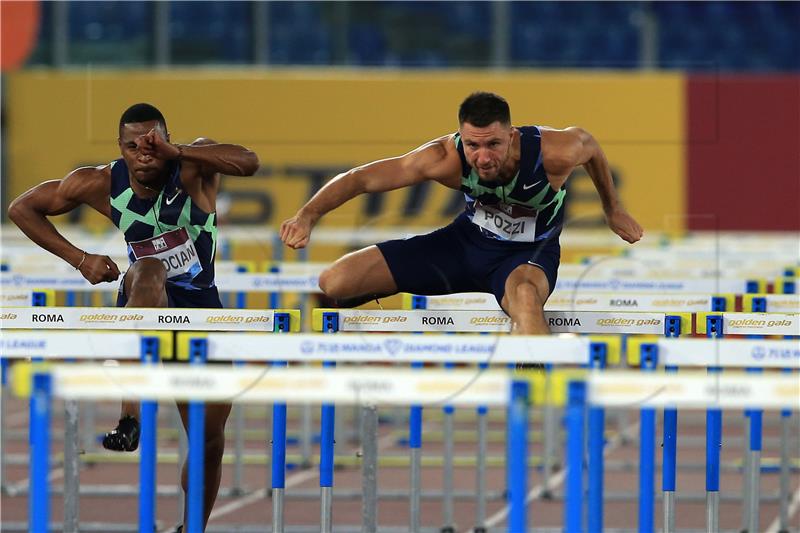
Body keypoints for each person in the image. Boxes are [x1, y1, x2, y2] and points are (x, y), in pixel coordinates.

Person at [9, 103, 259, 531]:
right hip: (146, 298)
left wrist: (176, 151)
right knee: (148, 270)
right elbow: (22, 208)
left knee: (208, 440)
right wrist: (80, 258)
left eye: (152, 145)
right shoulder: (101, 182)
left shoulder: (193, 167)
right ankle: (131, 417)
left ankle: (191, 528)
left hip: (202, 309)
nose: (143, 155)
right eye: (133, 147)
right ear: (120, 148)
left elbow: (248, 163)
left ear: (164, 141)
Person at [281, 91, 643, 334]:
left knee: (527, 303)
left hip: (525, 256)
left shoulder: (554, 152)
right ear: (460, 138)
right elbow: (360, 179)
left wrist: (613, 209)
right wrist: (307, 215)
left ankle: (533, 410)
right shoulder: (443, 158)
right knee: (335, 281)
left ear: (512, 136)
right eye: (472, 145)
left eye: (493, 145)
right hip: (462, 245)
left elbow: (591, 146)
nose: (483, 157)